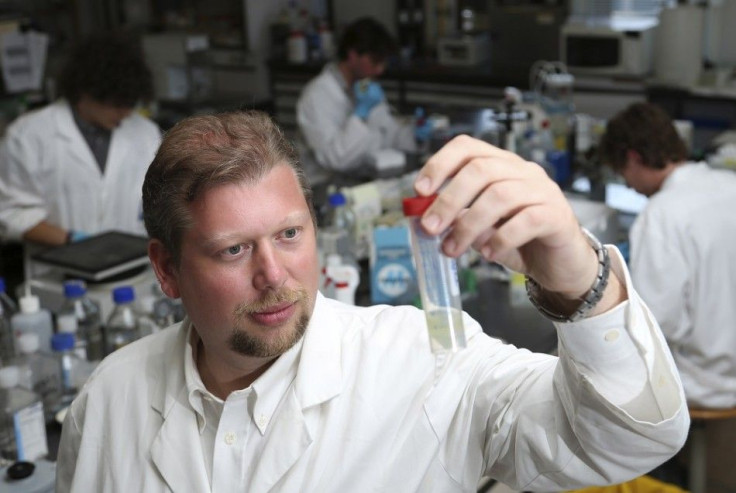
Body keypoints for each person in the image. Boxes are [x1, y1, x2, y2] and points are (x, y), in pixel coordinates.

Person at [56, 111, 689, 492]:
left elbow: (626, 439)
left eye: (289, 234)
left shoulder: (427, 361)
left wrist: (580, 277)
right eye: (232, 251)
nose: (274, 275)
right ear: (166, 270)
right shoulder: (109, 399)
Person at [599, 102, 736, 409]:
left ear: (633, 158)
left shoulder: (661, 215)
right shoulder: (730, 185)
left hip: (706, 383)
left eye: (624, 173)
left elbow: (656, 323)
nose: (630, 187)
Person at [0, 32, 161, 247]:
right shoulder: (28, 136)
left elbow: (160, 202)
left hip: (134, 266)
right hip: (59, 269)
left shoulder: (146, 133)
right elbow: (10, 212)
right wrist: (71, 241)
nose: (125, 113)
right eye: (116, 104)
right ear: (84, 93)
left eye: (130, 104)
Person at [296, 17, 421, 187]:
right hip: (324, 187)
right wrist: (360, 115)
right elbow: (335, 159)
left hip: (364, 177)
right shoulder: (316, 96)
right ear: (353, 54)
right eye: (375, 61)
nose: (380, 70)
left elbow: (387, 132)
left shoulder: (366, 88)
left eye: (383, 63)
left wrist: (414, 134)